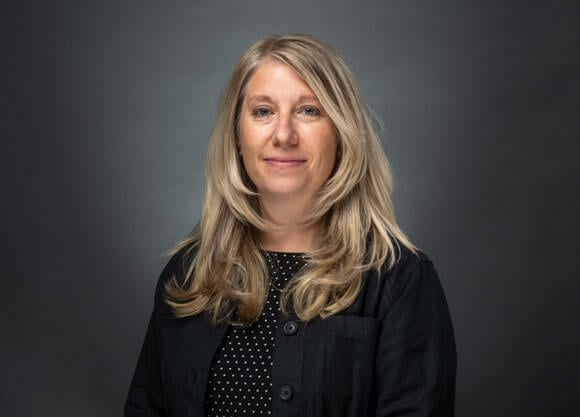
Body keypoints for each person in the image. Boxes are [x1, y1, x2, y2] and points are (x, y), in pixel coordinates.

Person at [125, 33, 456, 417]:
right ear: (237, 135)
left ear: (342, 134)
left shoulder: (400, 282)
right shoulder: (189, 275)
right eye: (263, 111)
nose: (284, 135)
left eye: (309, 111)